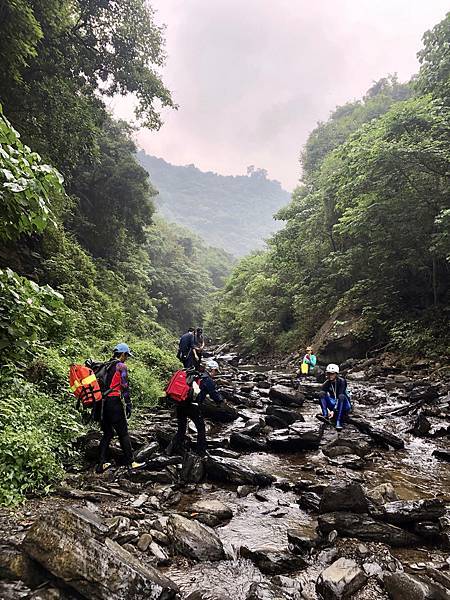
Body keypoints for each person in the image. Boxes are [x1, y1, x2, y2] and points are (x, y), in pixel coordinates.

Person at [96, 343, 142, 473]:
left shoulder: (105, 365)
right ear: (122, 354)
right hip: (114, 403)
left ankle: (102, 463)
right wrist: (128, 404)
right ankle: (131, 462)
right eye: (126, 355)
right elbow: (125, 386)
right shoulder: (121, 366)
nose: (126, 358)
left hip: (102, 403)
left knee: (108, 433)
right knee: (123, 433)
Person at [172, 359, 223, 456]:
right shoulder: (207, 380)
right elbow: (214, 394)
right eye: (215, 371)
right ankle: (201, 452)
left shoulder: (194, 375)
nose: (215, 374)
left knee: (181, 428)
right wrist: (220, 402)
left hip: (180, 403)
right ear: (211, 370)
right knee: (201, 429)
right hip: (193, 407)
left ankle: (175, 448)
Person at [317, 363, 351, 431]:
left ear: (336, 374)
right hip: (333, 402)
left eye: (332, 374)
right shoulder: (326, 383)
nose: (330, 375)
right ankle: (325, 415)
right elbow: (321, 397)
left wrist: (334, 410)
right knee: (321, 393)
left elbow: (340, 396)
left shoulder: (342, 381)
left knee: (341, 396)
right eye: (328, 373)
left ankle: (339, 421)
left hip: (344, 404)